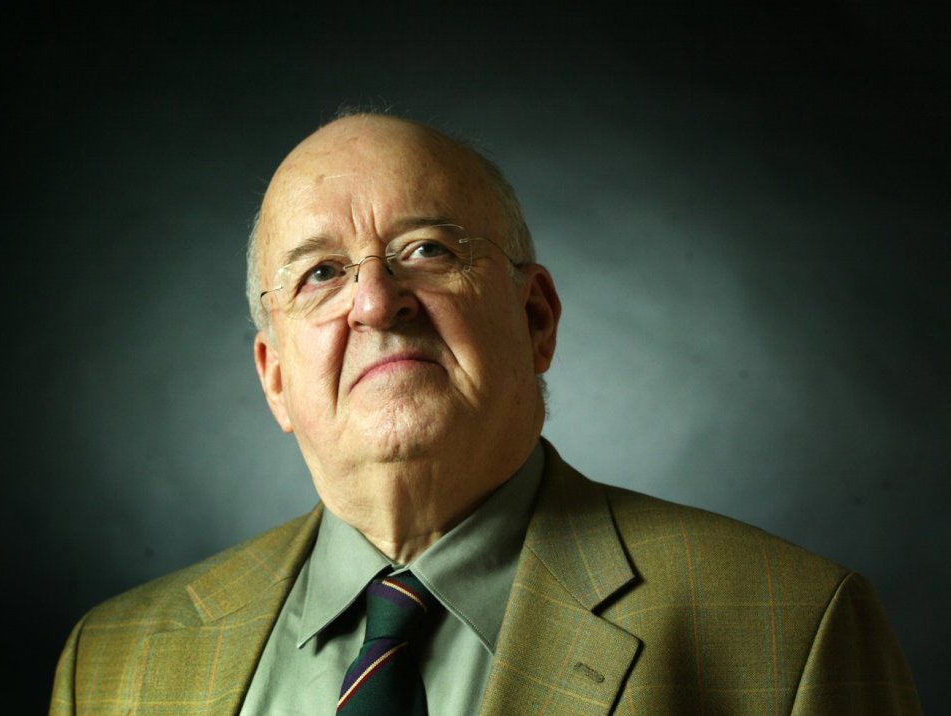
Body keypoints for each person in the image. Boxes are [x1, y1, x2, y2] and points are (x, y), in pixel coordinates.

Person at [49, 112, 921, 715]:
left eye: (427, 250)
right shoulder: (115, 663)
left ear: (536, 319)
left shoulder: (790, 628)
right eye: (321, 273)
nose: (376, 301)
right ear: (275, 378)